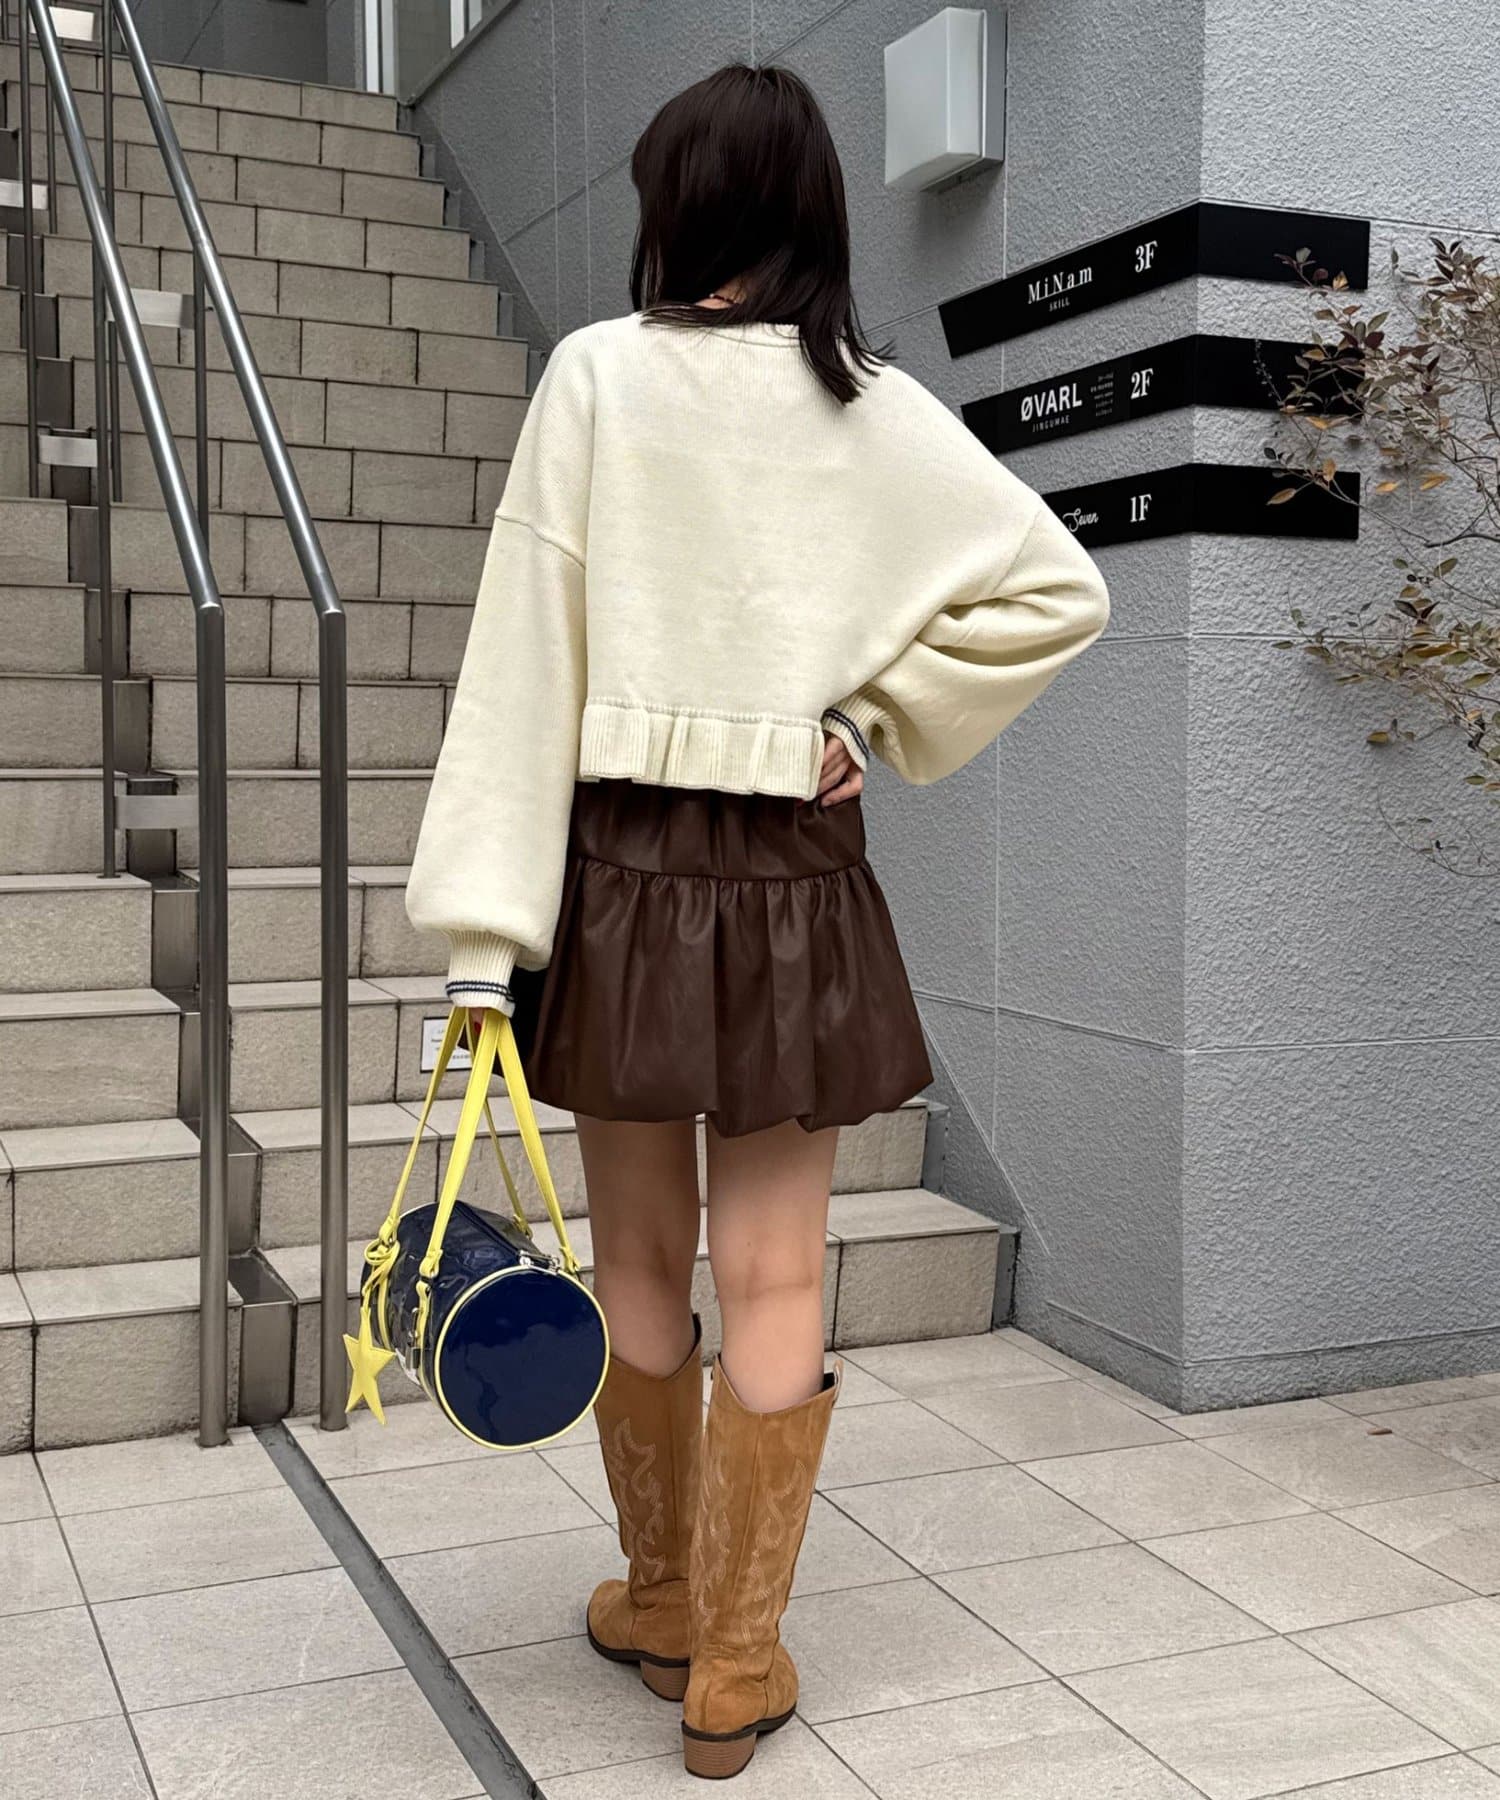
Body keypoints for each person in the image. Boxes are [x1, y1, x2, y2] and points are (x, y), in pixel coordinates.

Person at [405, 61, 1108, 1781]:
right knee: (778, 1265)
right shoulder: (874, 403)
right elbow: (1057, 585)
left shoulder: (596, 376)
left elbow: (522, 667)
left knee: (642, 1256)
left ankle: (661, 1598)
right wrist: (873, 713)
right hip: (796, 877)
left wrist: (485, 943)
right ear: (810, 210)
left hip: (626, 879)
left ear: (680, 205)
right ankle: (736, 1659)